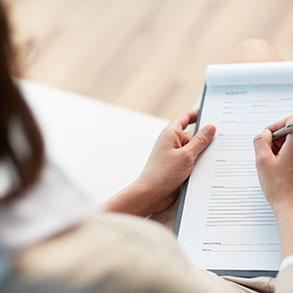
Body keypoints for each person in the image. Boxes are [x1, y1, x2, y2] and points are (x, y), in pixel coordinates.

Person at [0, 1, 292, 291]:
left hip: (187, 262)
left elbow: (72, 243)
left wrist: (147, 191)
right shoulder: (119, 273)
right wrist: (285, 199)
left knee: (252, 54)